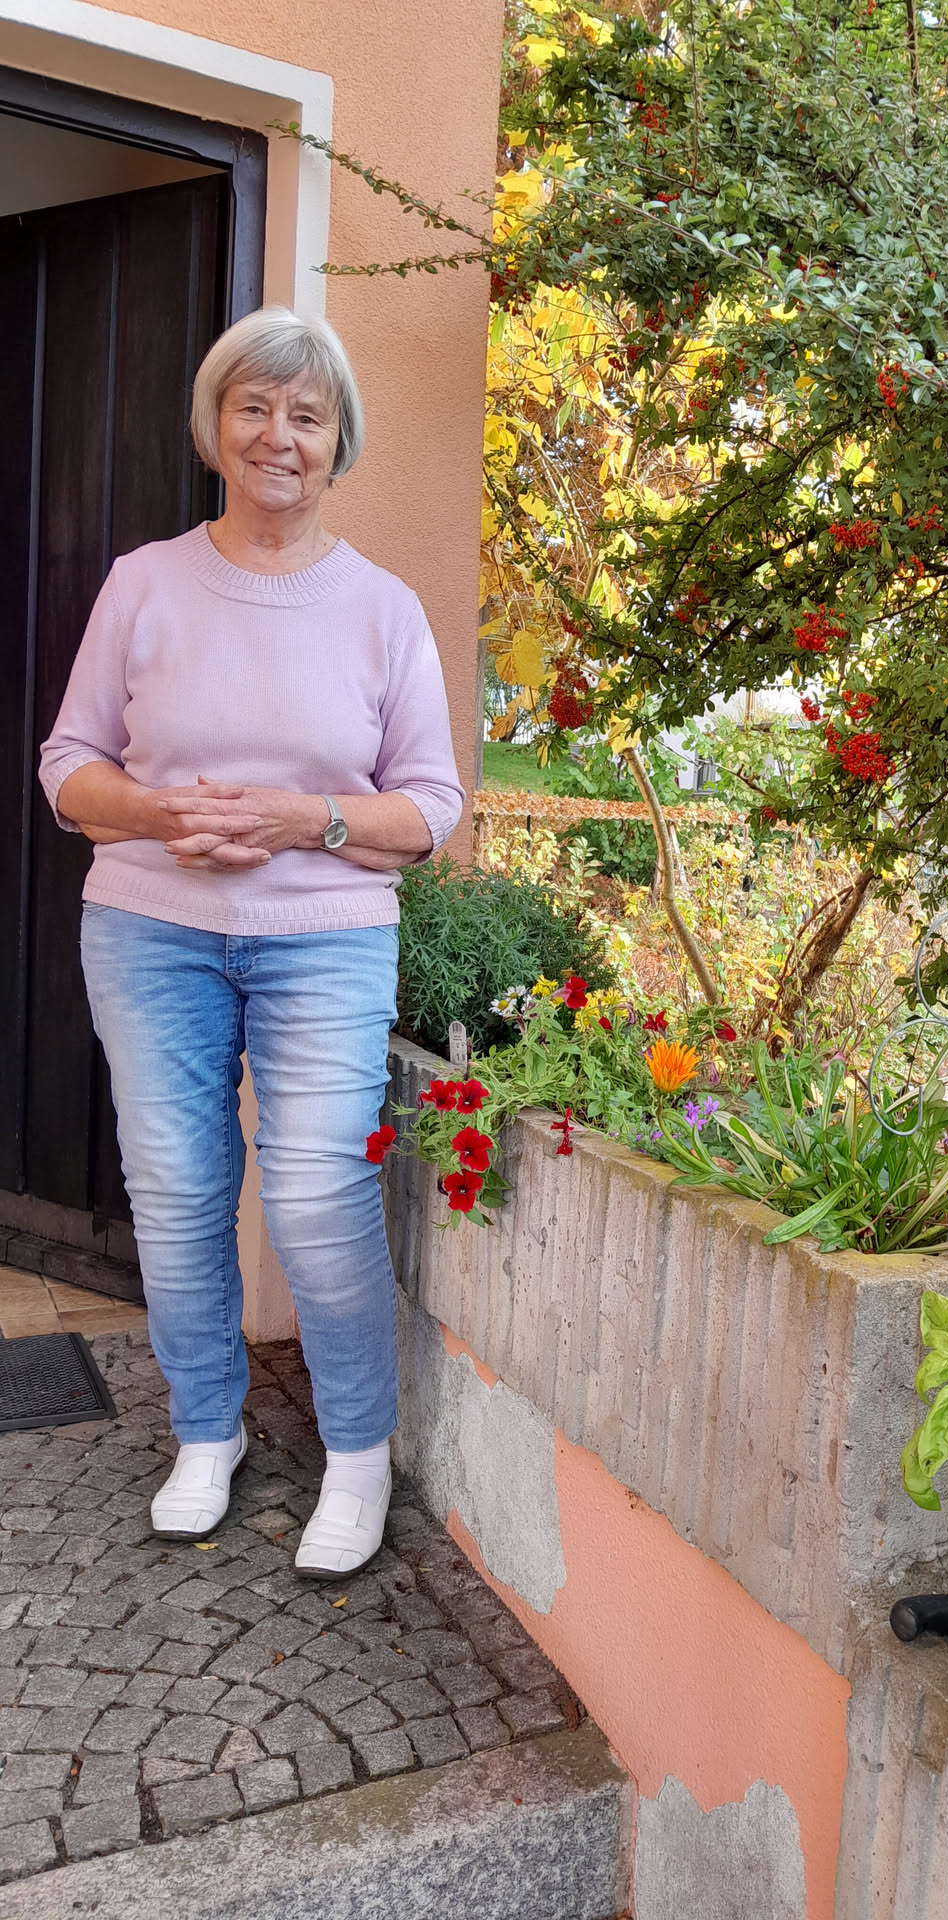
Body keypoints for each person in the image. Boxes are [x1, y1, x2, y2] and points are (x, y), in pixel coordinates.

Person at [38, 305, 464, 1578]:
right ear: (216, 427)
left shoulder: (383, 609)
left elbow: (429, 808)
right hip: (149, 930)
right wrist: (160, 814)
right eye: (255, 408)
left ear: (338, 443)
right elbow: (68, 766)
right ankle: (205, 1431)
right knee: (176, 1193)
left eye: (307, 415)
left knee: (319, 1199)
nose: (280, 435)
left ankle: (357, 1456)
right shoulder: (143, 583)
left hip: (323, 943)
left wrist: (304, 819)